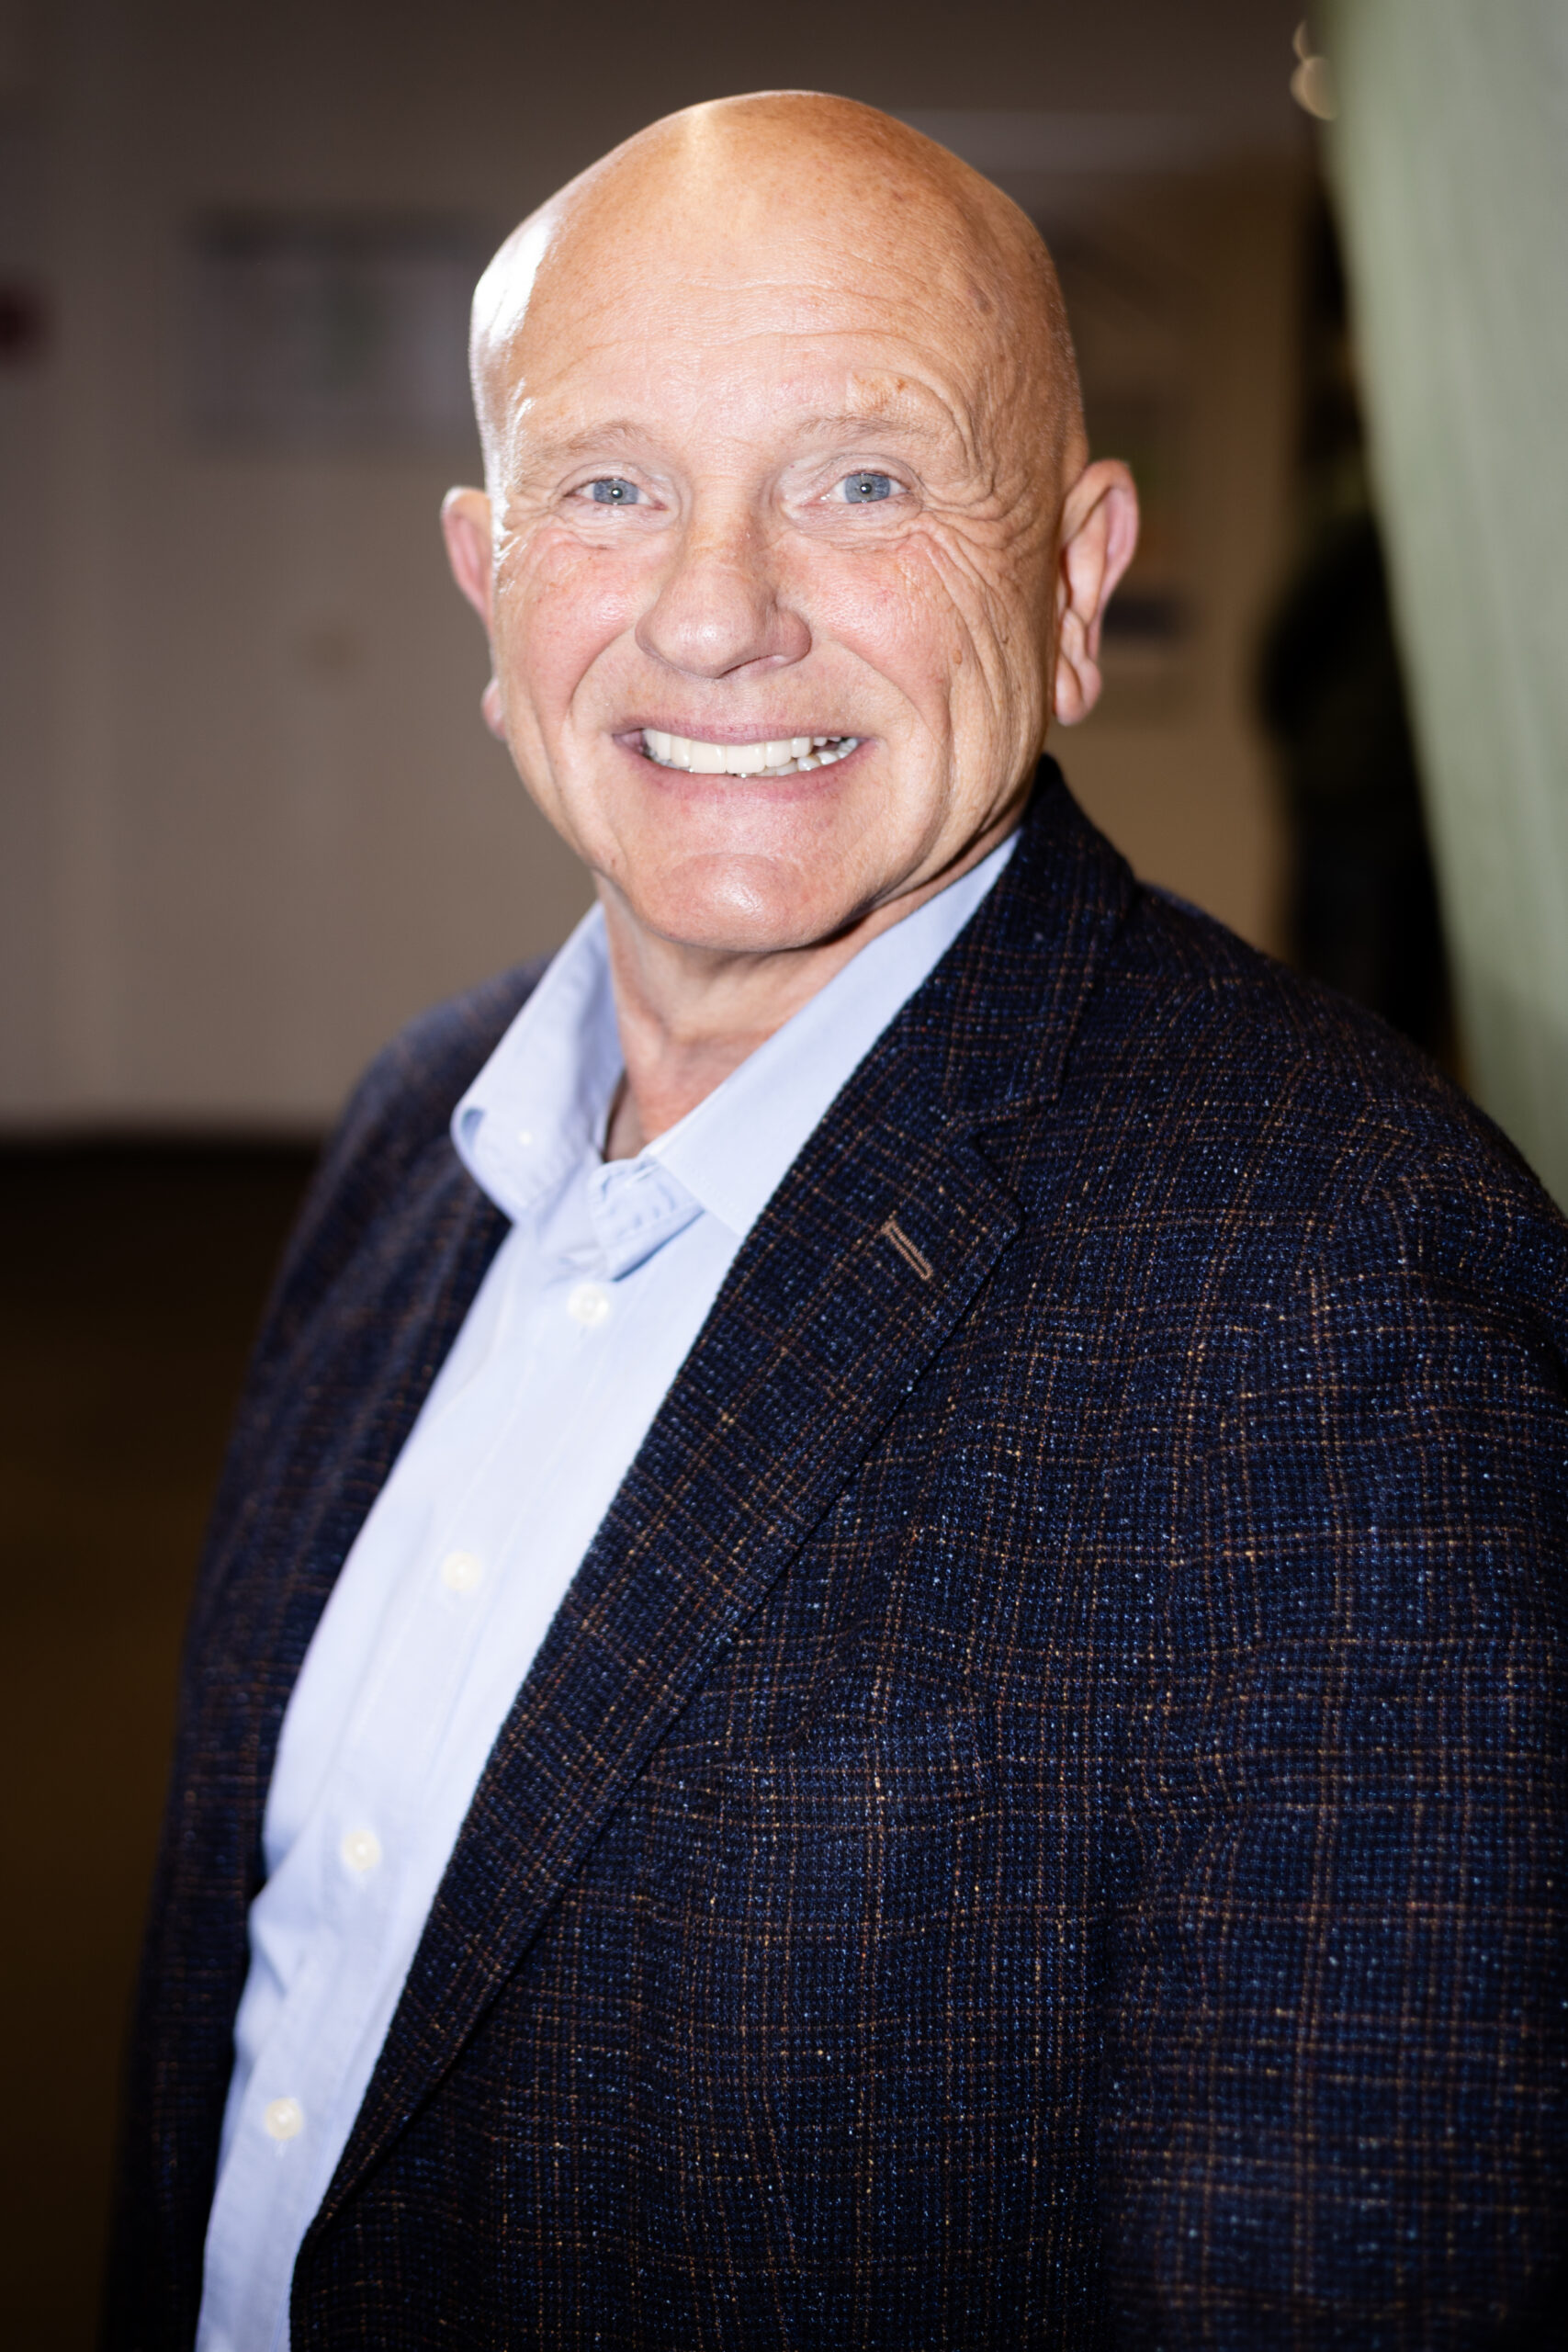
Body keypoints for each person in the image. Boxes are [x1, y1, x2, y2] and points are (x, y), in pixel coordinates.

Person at [107, 93, 1567, 2350]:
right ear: (490, 582)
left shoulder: (1340, 1305)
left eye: (861, 479)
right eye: (610, 486)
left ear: (1070, 583)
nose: (714, 611)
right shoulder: (417, 1130)